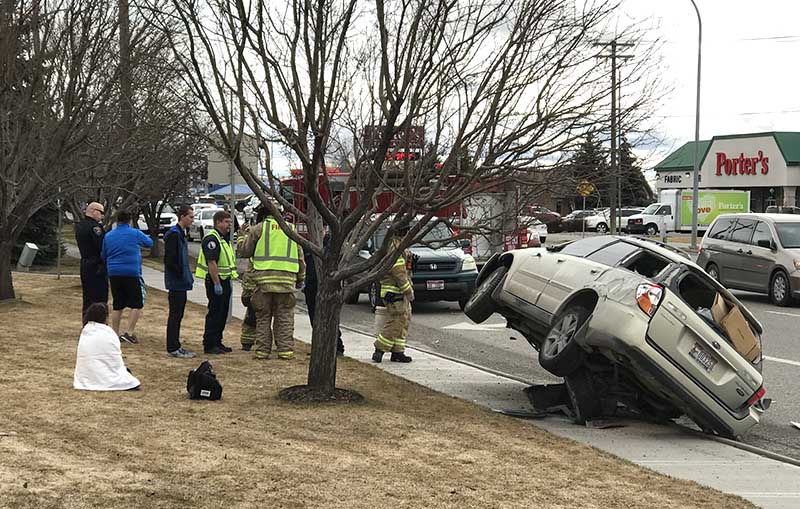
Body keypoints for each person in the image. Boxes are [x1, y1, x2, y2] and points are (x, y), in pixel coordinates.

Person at [237, 206, 304, 360]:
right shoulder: (291, 229)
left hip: (263, 282)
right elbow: (300, 258)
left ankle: (262, 351)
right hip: (286, 282)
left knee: (263, 317)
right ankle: (285, 351)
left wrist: (241, 236)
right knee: (285, 317)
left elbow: (245, 252)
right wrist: (300, 278)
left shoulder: (258, 229)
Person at [101, 209, 153, 343]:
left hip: (114, 272)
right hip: (131, 272)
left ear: (117, 220)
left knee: (118, 304)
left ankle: (114, 333)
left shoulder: (108, 236)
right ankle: (129, 332)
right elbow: (149, 243)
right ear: (129, 220)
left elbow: (103, 255)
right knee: (137, 303)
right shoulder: (134, 233)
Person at [196, 210, 238, 354]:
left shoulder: (223, 238)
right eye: (226, 222)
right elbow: (212, 262)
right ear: (218, 222)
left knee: (222, 314)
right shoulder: (212, 239)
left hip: (225, 281)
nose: (229, 225)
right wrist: (217, 284)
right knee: (215, 313)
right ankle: (209, 344)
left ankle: (218, 341)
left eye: (230, 222)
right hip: (216, 282)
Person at [74, 303, 141, 391]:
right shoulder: (108, 332)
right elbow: (115, 358)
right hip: (107, 375)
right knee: (126, 377)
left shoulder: (85, 331)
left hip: (85, 377)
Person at [372, 228, 414, 363]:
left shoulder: (400, 247)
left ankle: (398, 352)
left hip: (398, 293)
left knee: (404, 320)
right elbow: (399, 273)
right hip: (395, 292)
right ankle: (379, 350)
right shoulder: (395, 248)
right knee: (396, 321)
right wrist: (408, 291)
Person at [163, 205, 196, 359]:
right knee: (175, 315)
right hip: (176, 282)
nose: (192, 220)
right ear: (182, 216)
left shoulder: (181, 233)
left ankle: (176, 344)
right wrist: (180, 274)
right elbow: (170, 259)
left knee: (179, 314)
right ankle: (172, 346)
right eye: (190, 216)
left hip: (181, 282)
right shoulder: (174, 235)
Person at [304, 231, 344, 356]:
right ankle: (332, 347)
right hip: (317, 289)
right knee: (326, 319)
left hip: (315, 289)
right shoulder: (335, 257)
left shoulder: (313, 253)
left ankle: (335, 346)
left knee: (322, 319)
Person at [75, 202, 108, 313]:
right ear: (94, 211)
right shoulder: (95, 228)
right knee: (99, 298)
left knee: (88, 298)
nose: (102, 216)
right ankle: (99, 323)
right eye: (101, 212)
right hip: (96, 266)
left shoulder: (80, 225)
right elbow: (101, 246)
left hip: (85, 264)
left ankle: (86, 322)